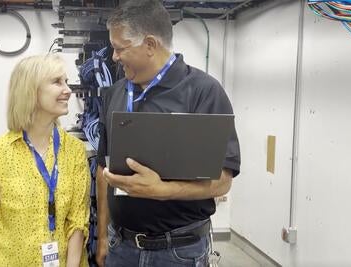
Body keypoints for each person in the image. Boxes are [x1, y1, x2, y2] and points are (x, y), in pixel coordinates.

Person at [95, 1, 241, 266]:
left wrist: (162, 190)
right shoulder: (115, 93)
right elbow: (103, 170)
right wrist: (103, 237)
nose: (114, 57)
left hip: (178, 251)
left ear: (150, 45)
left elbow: (222, 181)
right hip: (122, 246)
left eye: (119, 48)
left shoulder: (203, 93)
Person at [0, 54, 91, 267]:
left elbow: (77, 222)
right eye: (57, 82)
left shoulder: (75, 151)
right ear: (30, 91)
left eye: (66, 82)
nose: (68, 90)